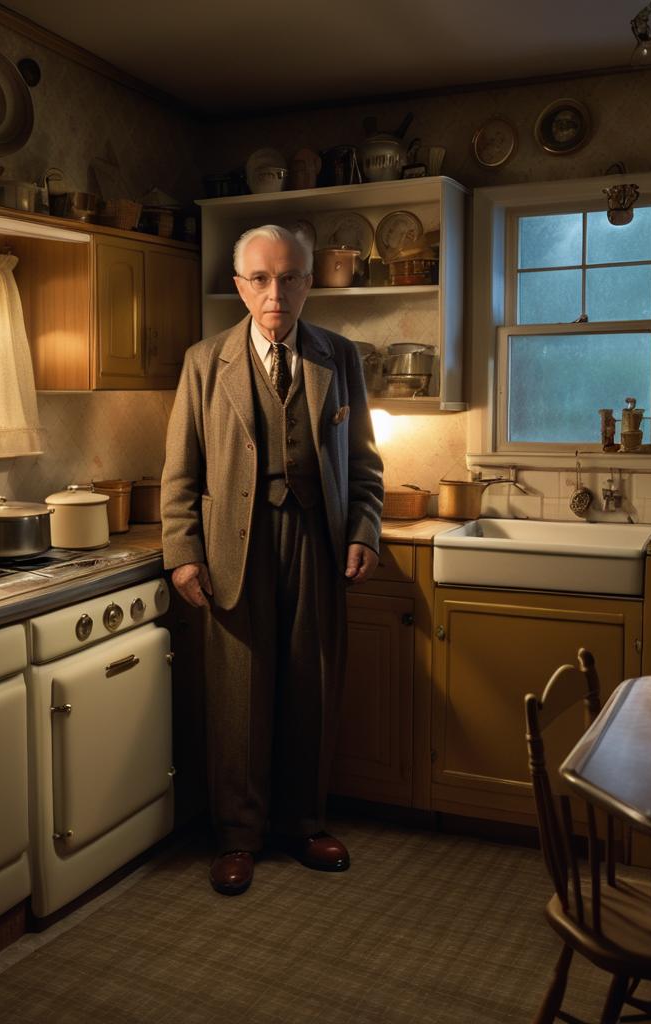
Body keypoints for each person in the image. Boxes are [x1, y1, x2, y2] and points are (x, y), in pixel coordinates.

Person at [161, 224, 383, 896]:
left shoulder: (339, 357)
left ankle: (306, 823)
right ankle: (237, 835)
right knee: (239, 693)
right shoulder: (205, 362)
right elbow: (180, 470)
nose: (275, 291)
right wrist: (182, 552)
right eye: (260, 278)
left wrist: (365, 532)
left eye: (289, 277)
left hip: (317, 539)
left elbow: (366, 463)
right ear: (239, 286)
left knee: (311, 685)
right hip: (235, 545)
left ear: (309, 283)